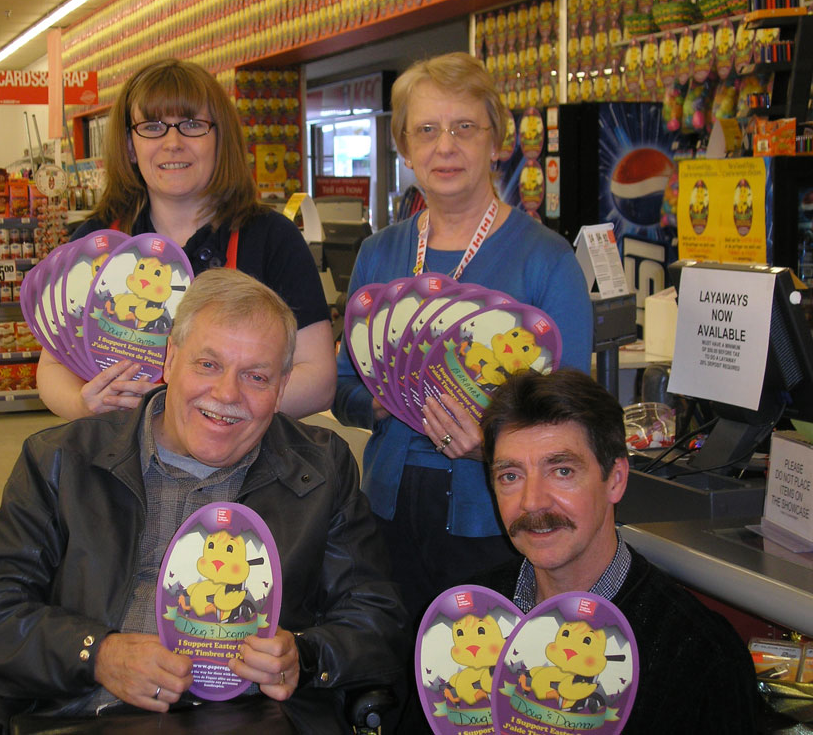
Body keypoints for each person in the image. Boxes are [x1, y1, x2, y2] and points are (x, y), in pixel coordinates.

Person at [0, 269, 407, 731]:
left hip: (252, 718)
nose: (227, 394)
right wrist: (97, 654)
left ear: (282, 386)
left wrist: (304, 656)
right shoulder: (62, 461)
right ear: (170, 360)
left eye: (256, 376)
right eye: (207, 364)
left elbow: (378, 619)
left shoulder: (320, 470)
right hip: (89, 714)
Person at [332, 52, 592, 623]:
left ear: (495, 141)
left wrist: (494, 444)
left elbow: (576, 415)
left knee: (482, 666)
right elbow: (342, 384)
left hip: (496, 519)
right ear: (404, 148)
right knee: (393, 658)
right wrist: (378, 403)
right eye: (426, 130)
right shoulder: (379, 253)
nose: (444, 147)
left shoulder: (546, 260)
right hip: (387, 514)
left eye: (464, 127)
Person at [38, 58, 334, 421]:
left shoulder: (272, 238)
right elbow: (52, 366)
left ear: (220, 138)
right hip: (119, 449)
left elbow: (318, 378)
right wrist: (82, 404)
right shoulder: (96, 244)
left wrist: (206, 410)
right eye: (152, 127)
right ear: (130, 145)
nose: (173, 143)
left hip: (242, 453)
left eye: (192, 125)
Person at [474, 368, 762, 733]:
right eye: (511, 476)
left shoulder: (699, 657)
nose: (532, 502)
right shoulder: (464, 620)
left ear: (616, 480)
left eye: (562, 471)